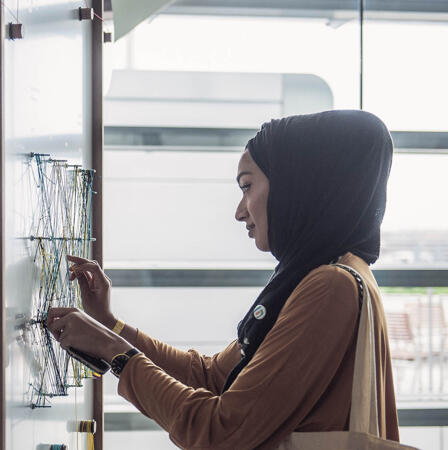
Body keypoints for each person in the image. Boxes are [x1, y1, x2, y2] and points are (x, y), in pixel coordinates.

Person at [46, 110, 402, 449]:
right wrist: (109, 325)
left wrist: (113, 351)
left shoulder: (329, 287)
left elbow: (220, 433)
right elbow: (212, 377)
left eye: (247, 187)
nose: (239, 211)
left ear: (299, 186)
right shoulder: (321, 274)